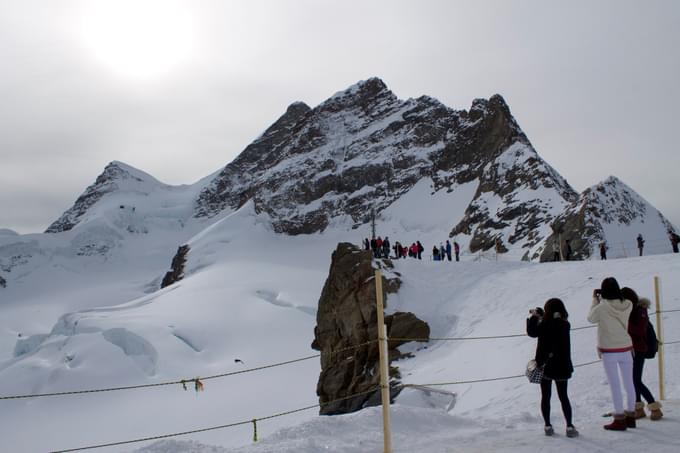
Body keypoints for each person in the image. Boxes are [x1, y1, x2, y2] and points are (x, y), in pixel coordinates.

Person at [587, 277, 636, 430]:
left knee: (615, 385)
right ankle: (631, 416)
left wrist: (595, 300)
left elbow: (590, 318)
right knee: (629, 384)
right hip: (626, 347)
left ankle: (620, 419)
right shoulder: (628, 304)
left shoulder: (602, 307)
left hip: (609, 350)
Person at [527, 299, 578, 438]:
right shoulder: (565, 324)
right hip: (561, 367)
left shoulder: (543, 324)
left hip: (546, 366)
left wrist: (535, 317)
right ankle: (569, 426)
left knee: (546, 396)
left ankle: (548, 425)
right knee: (563, 397)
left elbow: (531, 332)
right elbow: (556, 325)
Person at [623, 287, 663, 421]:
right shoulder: (631, 311)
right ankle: (638, 408)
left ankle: (654, 407)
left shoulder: (640, 311)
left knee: (636, 380)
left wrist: (625, 323)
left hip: (639, 350)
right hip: (631, 349)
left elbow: (640, 331)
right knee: (633, 380)